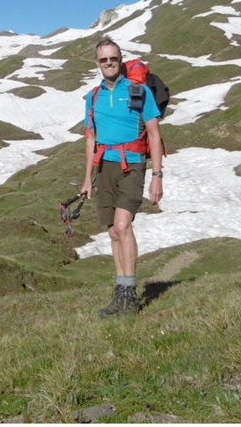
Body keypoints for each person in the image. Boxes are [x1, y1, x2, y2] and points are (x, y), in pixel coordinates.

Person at [80, 37, 164, 317]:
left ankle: (130, 296)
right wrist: (86, 178)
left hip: (133, 166)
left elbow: (154, 134)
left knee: (123, 225)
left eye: (113, 58)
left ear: (120, 59)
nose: (108, 63)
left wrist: (157, 175)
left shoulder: (139, 91)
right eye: (103, 59)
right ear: (97, 63)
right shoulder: (93, 97)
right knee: (113, 231)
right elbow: (90, 138)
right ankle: (120, 293)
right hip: (105, 168)